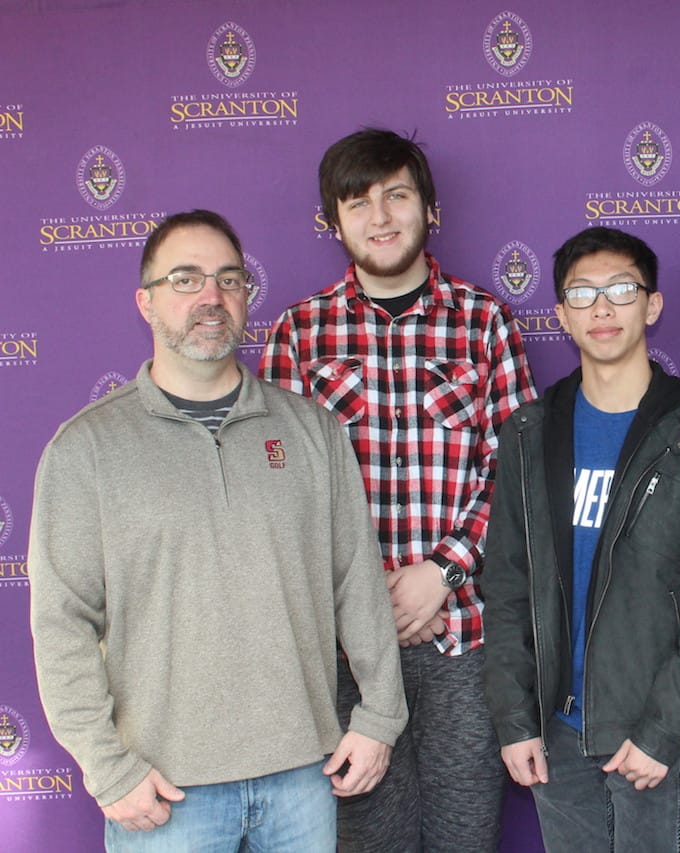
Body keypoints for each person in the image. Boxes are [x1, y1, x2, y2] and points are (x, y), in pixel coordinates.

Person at [28, 210, 407, 852]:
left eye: (229, 279)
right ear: (145, 302)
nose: (211, 296)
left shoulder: (312, 432)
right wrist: (107, 765)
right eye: (186, 279)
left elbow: (358, 586)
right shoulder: (86, 449)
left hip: (302, 780)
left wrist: (380, 716)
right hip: (165, 793)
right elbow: (61, 622)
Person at [260, 128, 537, 852]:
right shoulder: (298, 332)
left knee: (463, 838)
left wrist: (441, 570)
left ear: (429, 208)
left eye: (397, 195)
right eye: (358, 203)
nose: (380, 217)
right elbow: (281, 491)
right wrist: (366, 593)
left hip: (463, 641)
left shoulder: (485, 324)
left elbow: (517, 472)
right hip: (346, 653)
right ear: (333, 221)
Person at [482, 226, 680, 853]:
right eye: (582, 294)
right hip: (553, 731)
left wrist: (664, 730)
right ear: (561, 316)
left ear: (652, 305)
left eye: (622, 289)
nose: (602, 308)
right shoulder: (528, 433)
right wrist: (515, 719)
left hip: (646, 735)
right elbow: (506, 587)